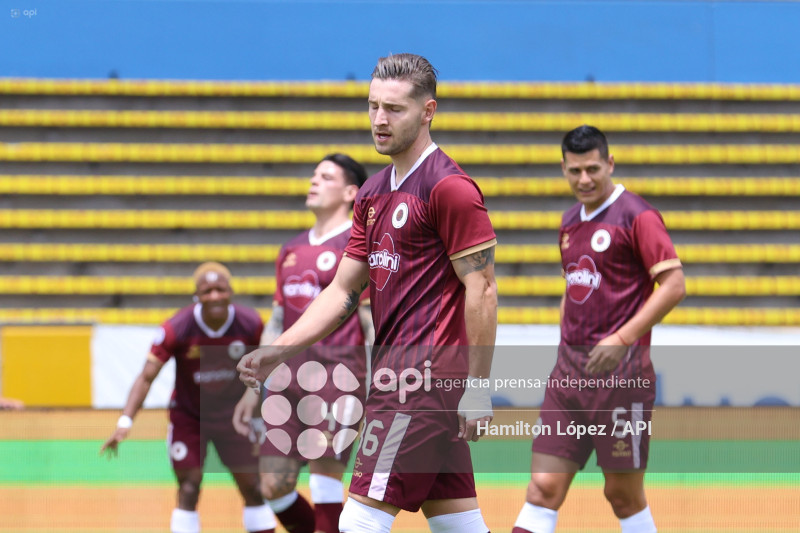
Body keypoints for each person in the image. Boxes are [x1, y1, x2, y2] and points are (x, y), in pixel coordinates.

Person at [238, 53, 498, 533]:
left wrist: (479, 388)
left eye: (394, 109)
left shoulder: (450, 187)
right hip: (397, 379)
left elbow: (481, 290)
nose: (379, 120)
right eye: (373, 106)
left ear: (428, 111)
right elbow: (341, 290)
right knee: (458, 524)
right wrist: (279, 350)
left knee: (357, 520)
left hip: (420, 383)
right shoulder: (374, 193)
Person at [511, 125, 686, 533]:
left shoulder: (637, 216)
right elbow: (572, 288)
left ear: (610, 163)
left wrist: (622, 339)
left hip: (621, 380)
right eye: (574, 171)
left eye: (592, 169)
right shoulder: (570, 221)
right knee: (542, 489)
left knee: (622, 496)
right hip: (568, 379)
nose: (584, 179)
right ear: (563, 168)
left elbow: (674, 284)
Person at [232, 153, 374, 533]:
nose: (313, 181)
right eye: (313, 175)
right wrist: (253, 386)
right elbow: (278, 320)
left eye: (325, 176)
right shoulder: (290, 249)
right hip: (284, 381)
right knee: (273, 486)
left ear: (350, 192)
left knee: (324, 478)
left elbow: (370, 319)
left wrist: (381, 381)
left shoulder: (357, 244)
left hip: (338, 375)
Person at [101, 262, 277, 533]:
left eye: (220, 289)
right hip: (190, 417)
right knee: (189, 487)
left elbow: (268, 367)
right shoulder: (177, 327)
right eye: (207, 291)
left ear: (231, 291)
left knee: (253, 487)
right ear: (197, 295)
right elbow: (147, 376)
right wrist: (125, 422)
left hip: (236, 417)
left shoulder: (251, 323)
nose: (215, 296)